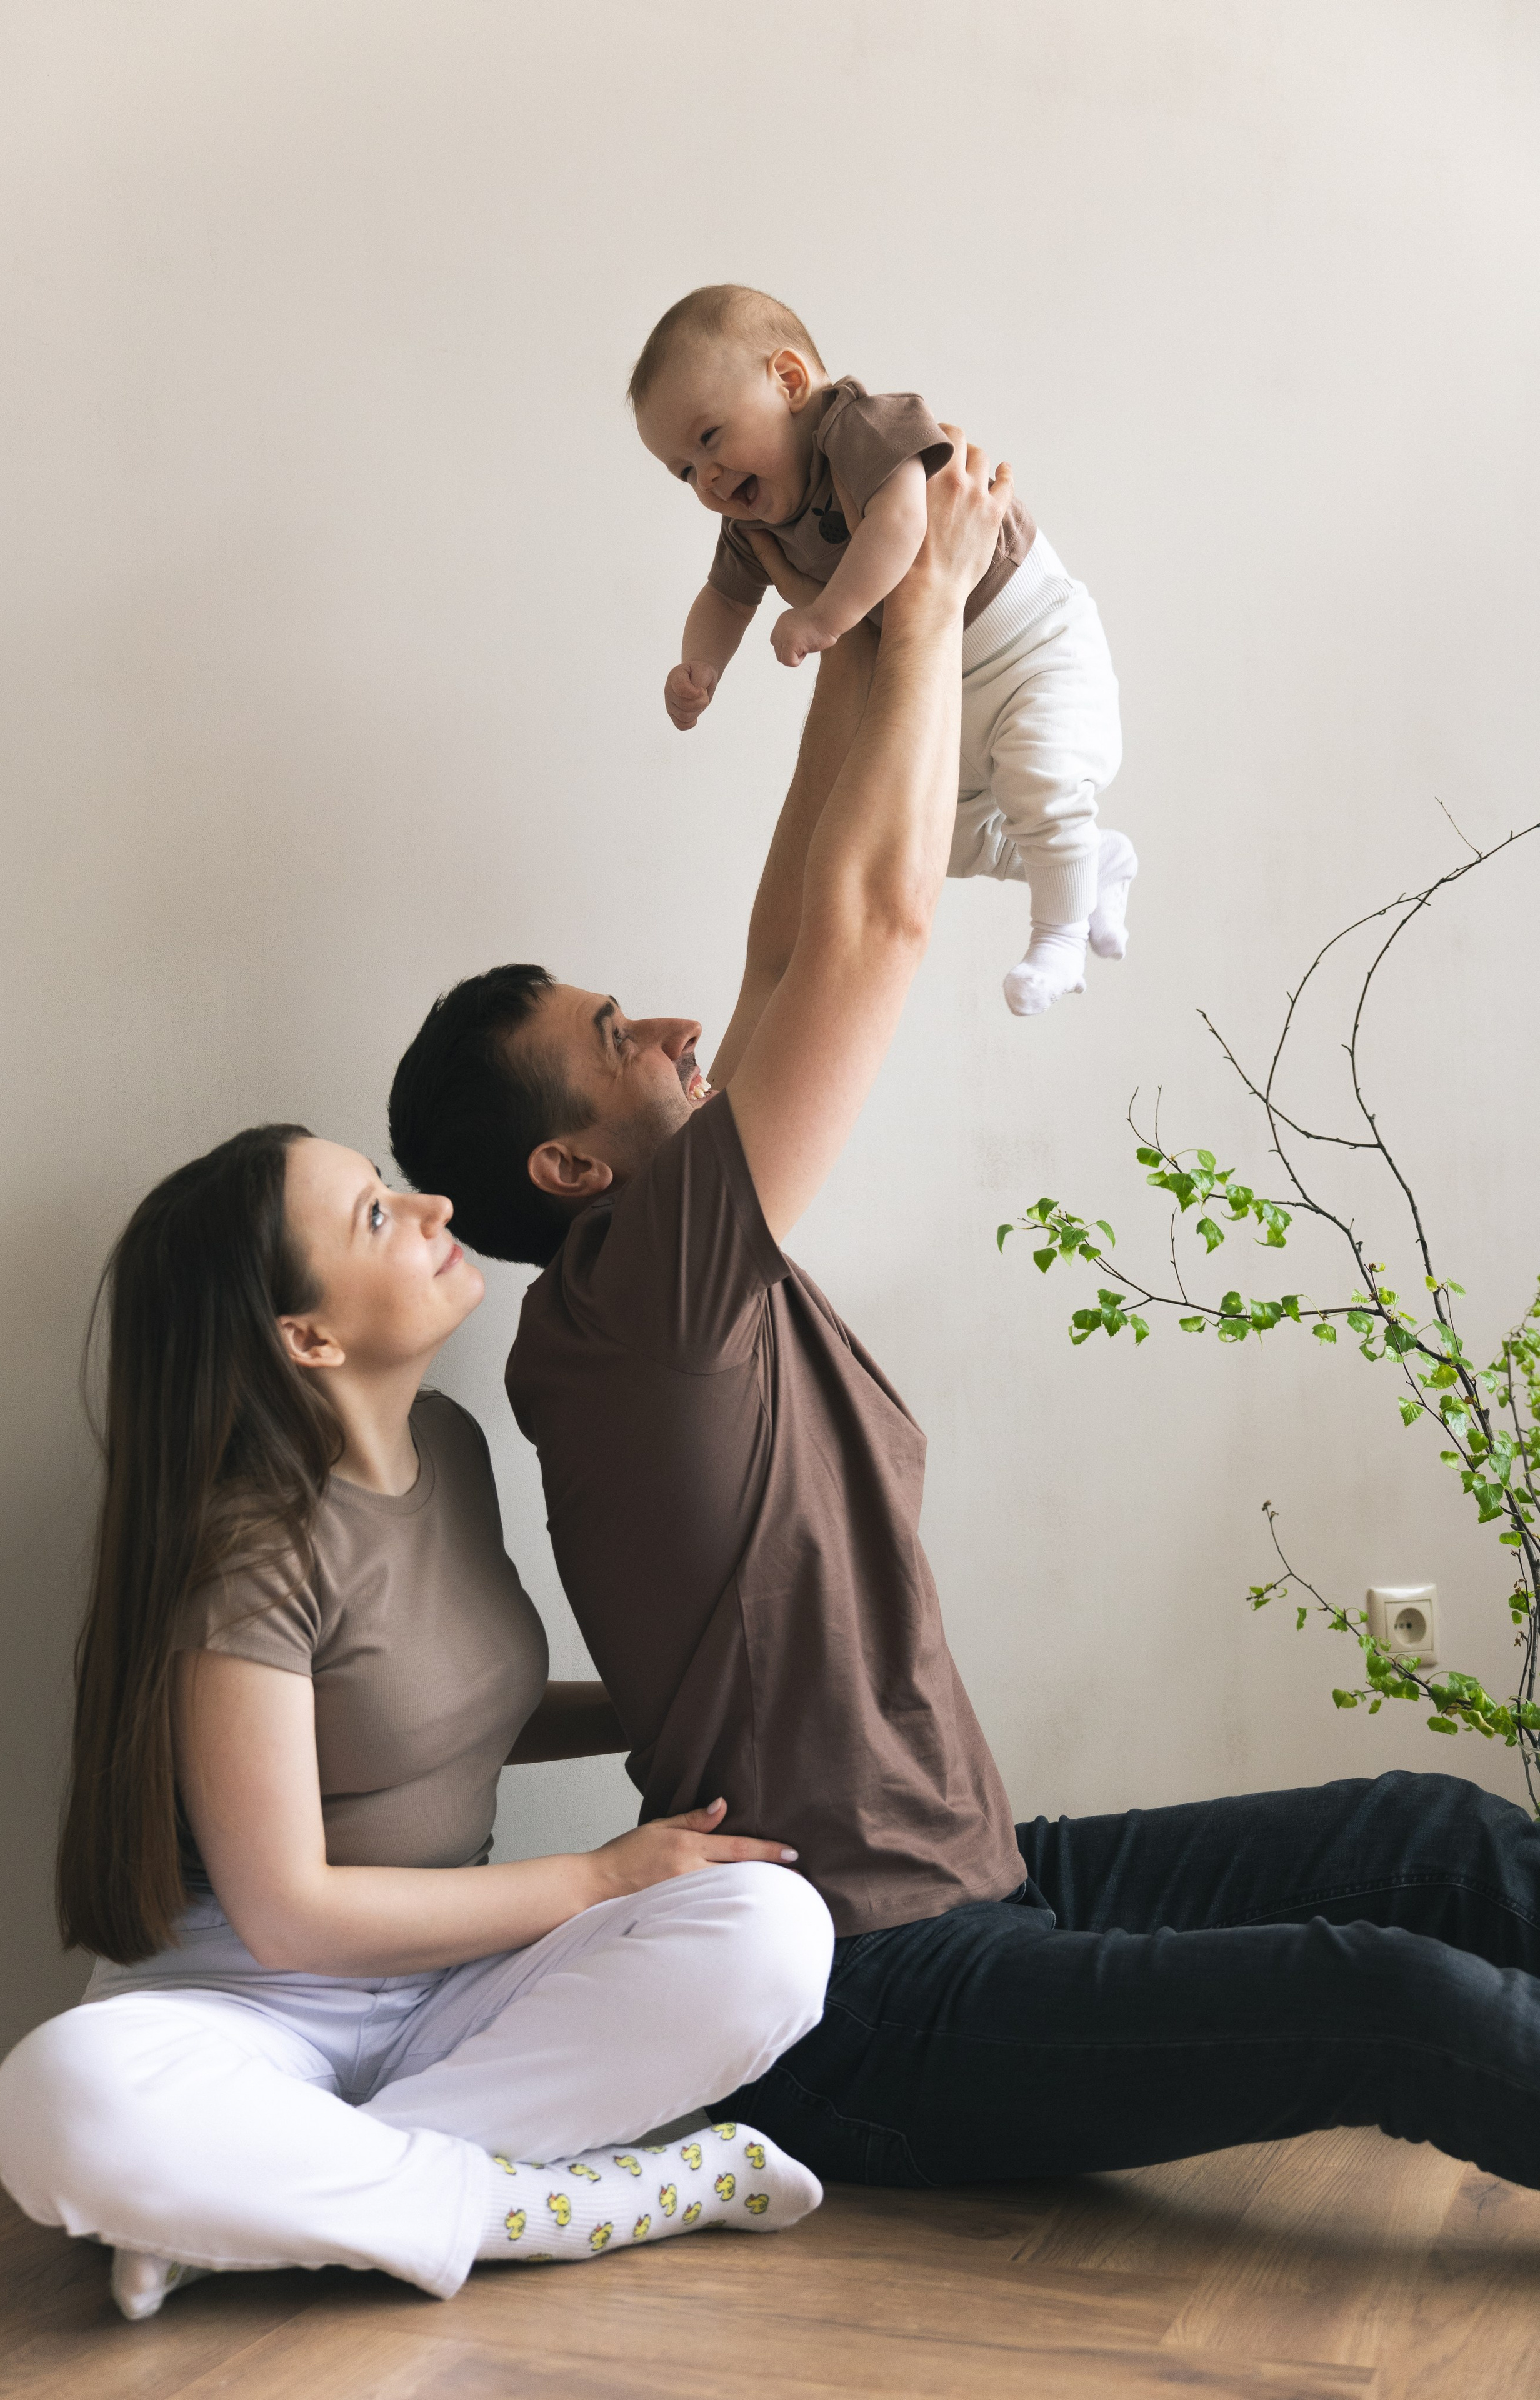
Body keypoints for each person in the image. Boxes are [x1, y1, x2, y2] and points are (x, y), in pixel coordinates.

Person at [388, 432, 1540, 2200]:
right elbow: (872, 927)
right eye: (619, 1035)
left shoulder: (667, 1276)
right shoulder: (640, 1310)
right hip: (878, 1999)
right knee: (1385, 1998)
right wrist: (924, 596)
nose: (679, 1028)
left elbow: (789, 939)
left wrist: (850, 637)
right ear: (564, 1171)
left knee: (1434, 1837)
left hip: (982, 1877)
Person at [0, 1125, 831, 2321]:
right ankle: (572, 2207)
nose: (434, 1203)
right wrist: (596, 1876)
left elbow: (443, 1718)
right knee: (63, 2096)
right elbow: (290, 1915)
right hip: (248, 1997)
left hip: (449, 1984)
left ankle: (260, 2215)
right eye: (376, 1215)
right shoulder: (248, 1549)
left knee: (773, 1931)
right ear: (309, 1338)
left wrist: (681, 1703)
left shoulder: (454, 1445)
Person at [631, 281, 1136, 1016]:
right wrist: (699, 667)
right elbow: (725, 599)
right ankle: (1088, 864)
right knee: (923, 834)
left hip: (1030, 646)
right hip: (945, 688)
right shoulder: (752, 528)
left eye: (709, 438)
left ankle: (1057, 937)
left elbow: (902, 522)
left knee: (1042, 778)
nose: (705, 478)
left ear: (790, 381)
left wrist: (825, 616)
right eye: (683, 471)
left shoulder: (861, 426)